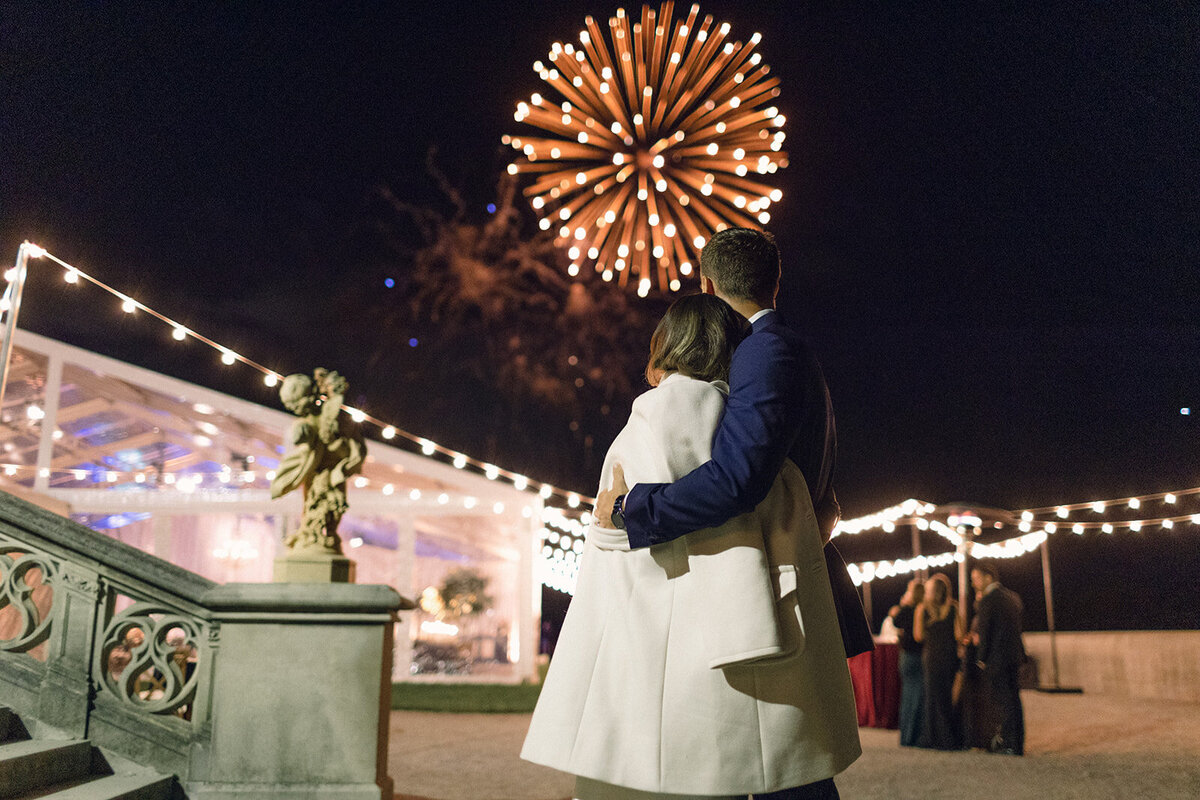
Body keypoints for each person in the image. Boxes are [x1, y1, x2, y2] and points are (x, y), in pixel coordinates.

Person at [523, 293, 860, 799]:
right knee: (779, 775)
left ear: (663, 349)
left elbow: (612, 534)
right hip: (753, 641)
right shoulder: (750, 430)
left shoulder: (647, 422)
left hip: (659, 657)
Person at [970, 562, 1026, 755]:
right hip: (1013, 655)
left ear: (988, 577)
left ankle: (1008, 743)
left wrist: (981, 658)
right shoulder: (1011, 597)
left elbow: (986, 631)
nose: (974, 584)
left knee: (1002, 701)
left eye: (976, 579)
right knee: (1014, 699)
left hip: (997, 658)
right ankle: (1017, 742)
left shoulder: (988, 600)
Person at [913, 572, 963, 750]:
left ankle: (932, 737)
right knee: (946, 695)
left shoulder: (922, 609)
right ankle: (948, 737)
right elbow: (959, 635)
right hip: (949, 656)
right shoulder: (953, 608)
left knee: (932, 696)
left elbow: (918, 636)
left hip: (932, 655)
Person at [888, 578, 926, 747]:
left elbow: (895, 621)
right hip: (916, 655)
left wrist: (903, 605)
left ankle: (905, 736)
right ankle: (913, 736)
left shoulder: (906, 609)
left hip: (906, 655)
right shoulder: (922, 609)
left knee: (907, 696)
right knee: (917, 696)